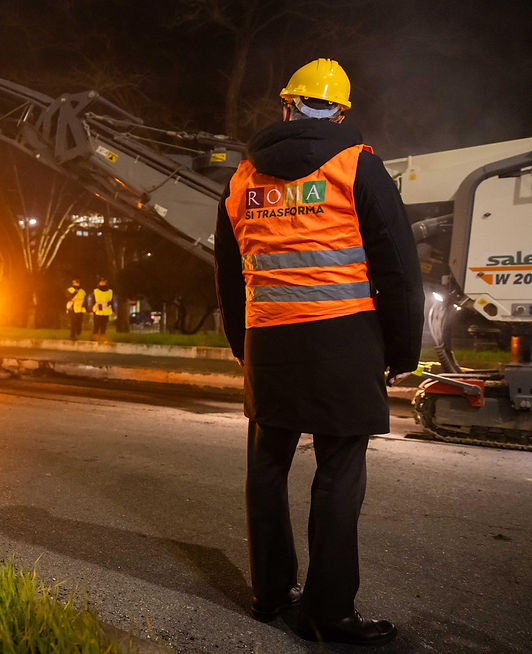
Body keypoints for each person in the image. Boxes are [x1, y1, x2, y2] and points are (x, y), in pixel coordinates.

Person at [214, 58, 423, 646]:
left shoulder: (241, 179)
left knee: (267, 466)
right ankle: (327, 612)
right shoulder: (357, 165)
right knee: (338, 474)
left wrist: (242, 346)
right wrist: (402, 350)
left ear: (286, 106)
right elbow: (398, 267)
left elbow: (229, 277)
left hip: (270, 341)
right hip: (344, 340)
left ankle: (270, 594)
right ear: (339, 111)